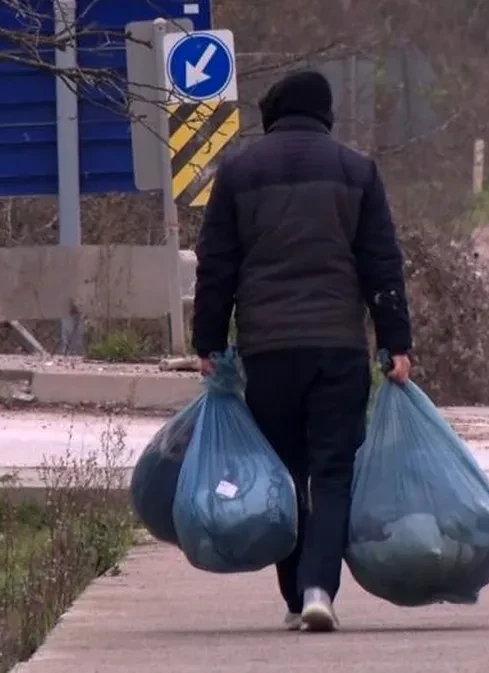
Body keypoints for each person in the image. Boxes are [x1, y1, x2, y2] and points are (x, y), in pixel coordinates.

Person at [191, 70, 413, 633]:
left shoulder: (240, 171)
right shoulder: (356, 170)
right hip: (337, 347)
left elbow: (217, 265)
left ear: (273, 113)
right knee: (332, 470)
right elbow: (381, 266)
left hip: (267, 350)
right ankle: (320, 588)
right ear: (326, 114)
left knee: (285, 473)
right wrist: (395, 343)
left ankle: (294, 597)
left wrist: (209, 342)